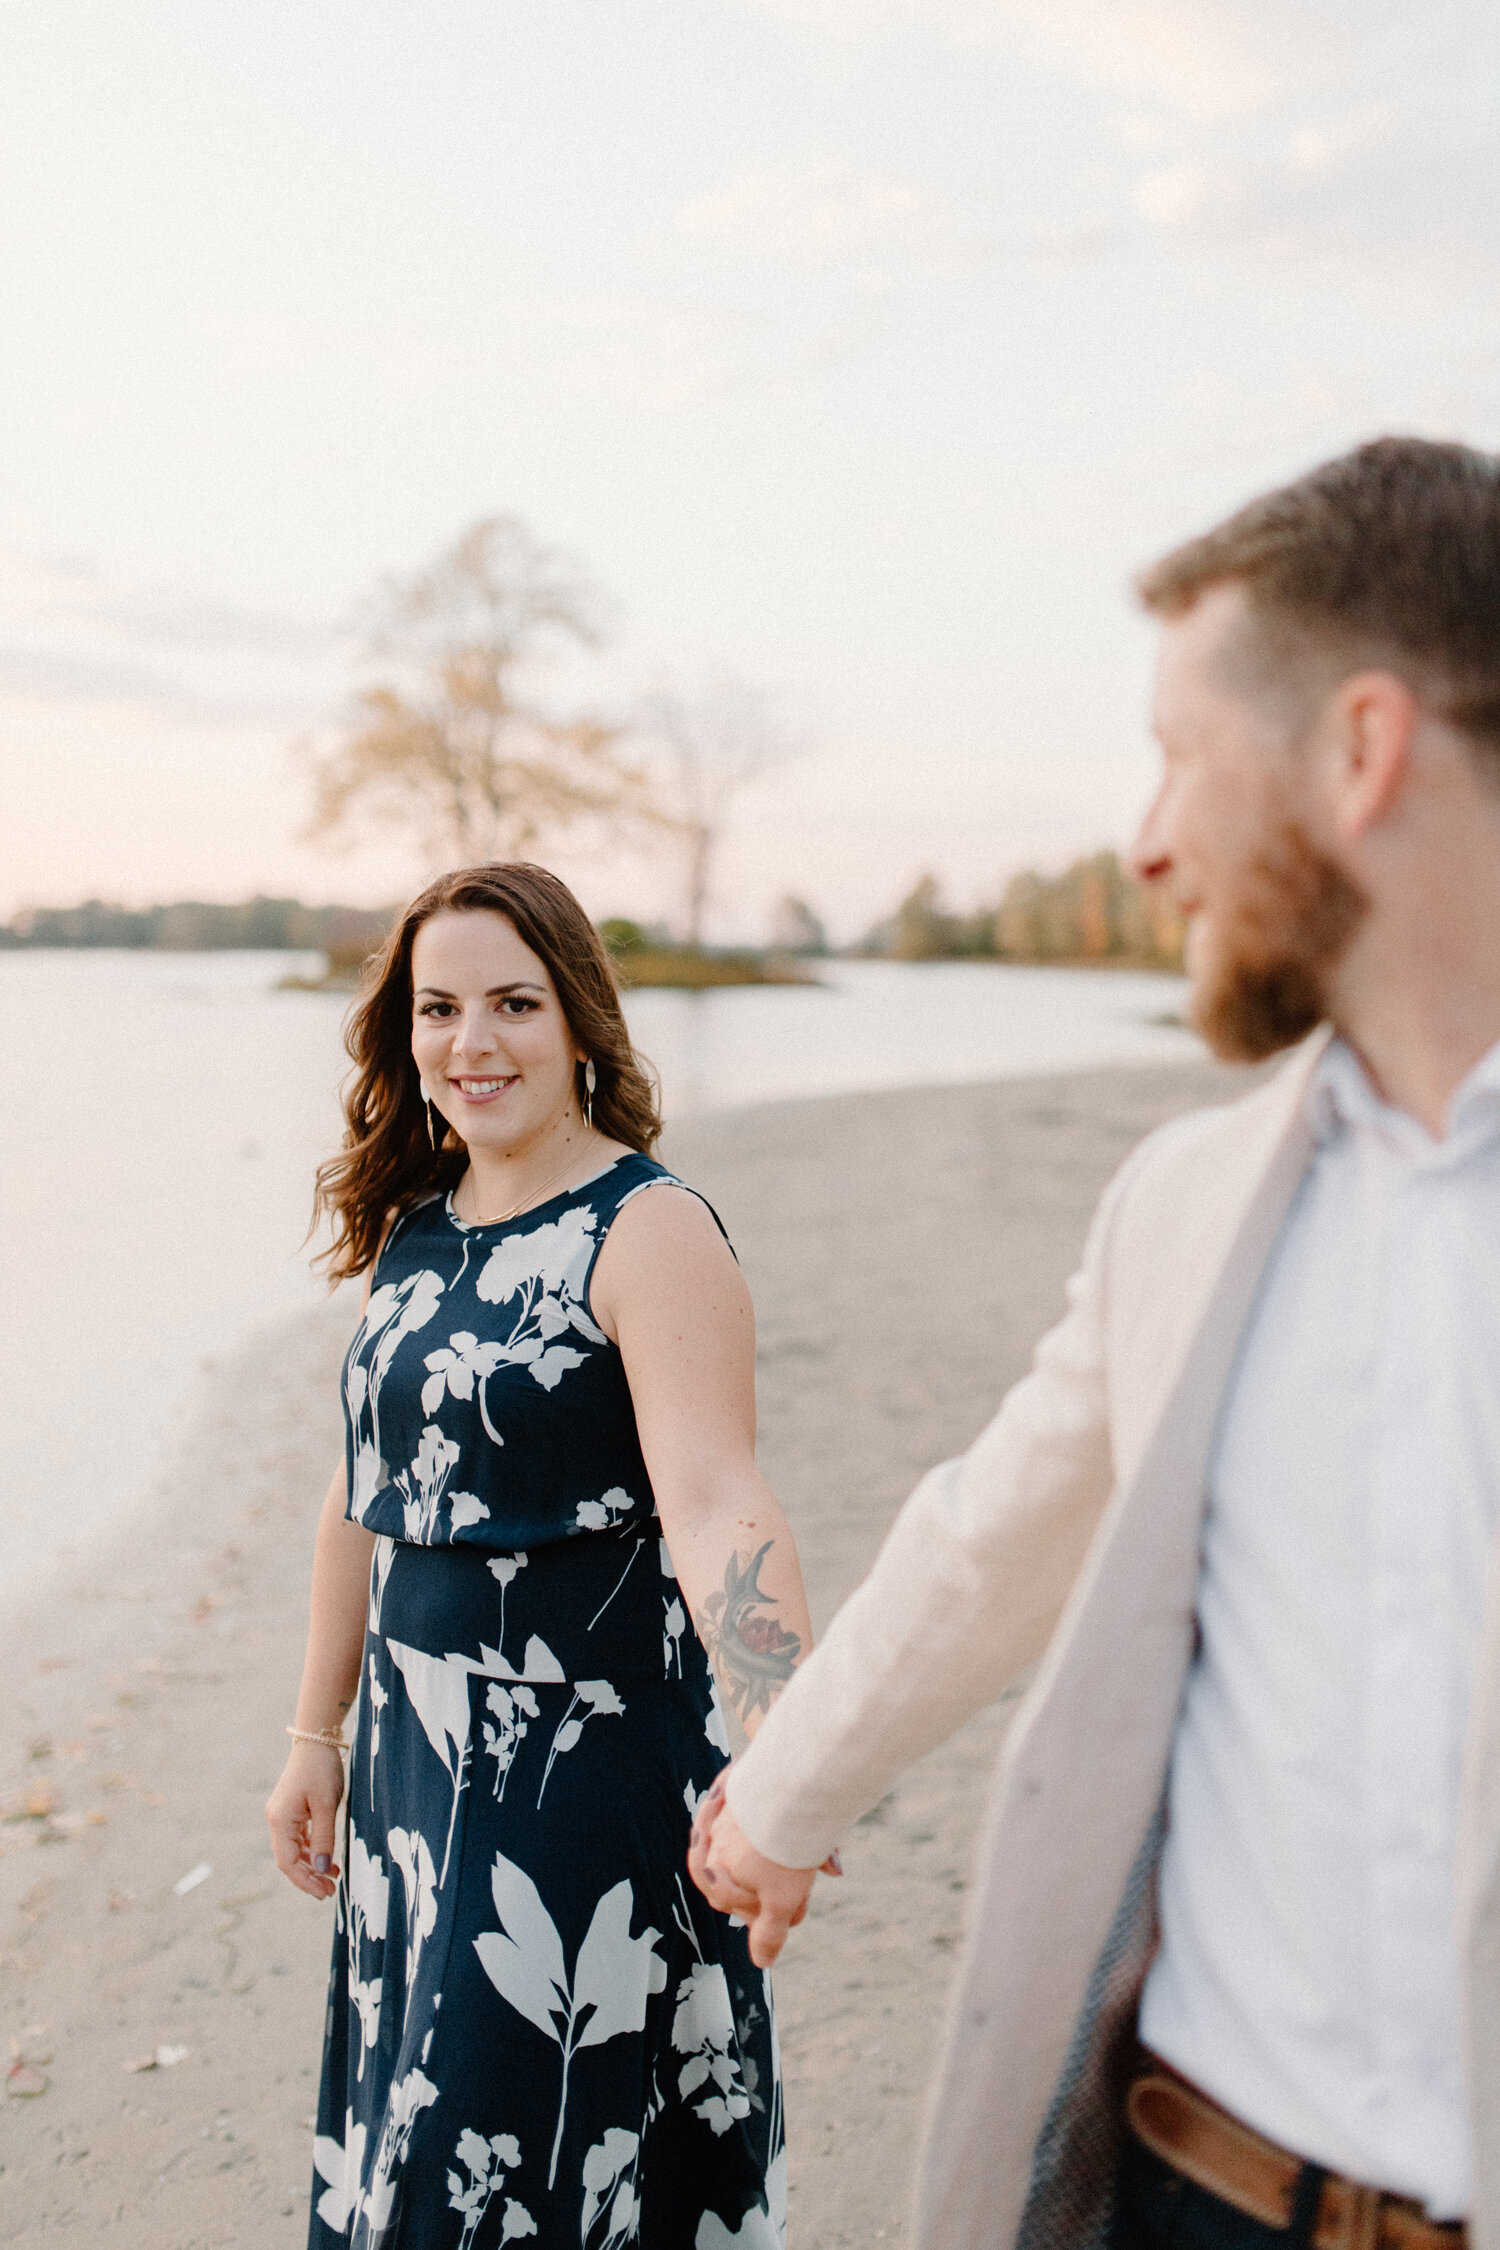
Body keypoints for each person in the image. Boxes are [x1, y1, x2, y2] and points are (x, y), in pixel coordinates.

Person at [690, 437, 1500, 2250]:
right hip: (1184, 2193)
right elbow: (994, 1533)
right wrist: (785, 1792)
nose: (1145, 842)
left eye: (1179, 758)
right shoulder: (1187, 1202)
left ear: (1361, 750)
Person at [266, 861, 817, 2249]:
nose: (472, 1041)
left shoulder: (650, 1228)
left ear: (579, 1019)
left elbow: (718, 1503)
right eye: (439, 1007)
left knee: (535, 2165)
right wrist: (313, 1731)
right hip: (410, 1772)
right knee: (421, 2159)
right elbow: (358, 1494)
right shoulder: (418, 1233)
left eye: (513, 1001)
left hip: (581, 1789)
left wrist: (789, 1759)